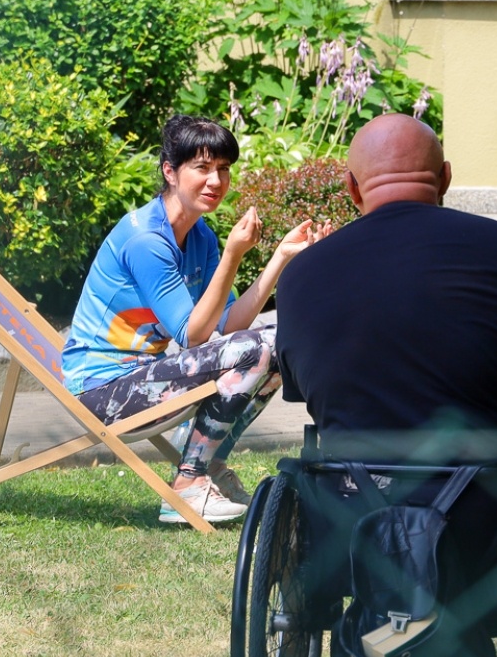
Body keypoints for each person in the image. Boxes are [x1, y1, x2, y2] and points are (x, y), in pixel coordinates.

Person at [274, 113, 497, 471]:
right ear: (444, 178)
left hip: (355, 507)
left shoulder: (299, 274)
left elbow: (308, 395)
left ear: (352, 188)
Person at [61, 115, 325, 524]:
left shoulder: (199, 236)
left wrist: (281, 258)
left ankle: (209, 465)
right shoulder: (146, 241)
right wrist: (235, 254)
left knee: (280, 341)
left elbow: (228, 325)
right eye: (201, 168)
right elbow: (193, 334)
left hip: (146, 378)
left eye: (223, 169)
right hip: (103, 394)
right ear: (170, 171)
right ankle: (188, 482)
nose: (215, 181)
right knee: (260, 347)